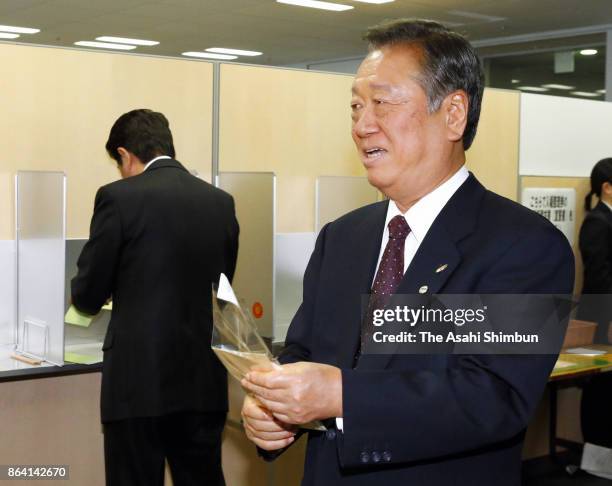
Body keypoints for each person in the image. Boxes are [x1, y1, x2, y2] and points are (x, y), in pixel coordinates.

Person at [240, 19, 574, 485]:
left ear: (454, 113)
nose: (361, 125)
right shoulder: (342, 238)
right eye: (355, 107)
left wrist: (341, 396)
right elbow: (304, 351)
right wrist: (274, 409)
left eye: (381, 103)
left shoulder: (524, 245)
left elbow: (493, 397)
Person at [71, 109, 239, 486]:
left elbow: (87, 295)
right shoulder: (220, 202)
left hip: (137, 384)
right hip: (203, 382)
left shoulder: (118, 198)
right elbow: (223, 286)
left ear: (125, 155)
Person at [578, 158, 612, 449]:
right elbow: (600, 277)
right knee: (600, 387)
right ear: (607, 188)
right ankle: (597, 455)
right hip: (603, 317)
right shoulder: (597, 222)